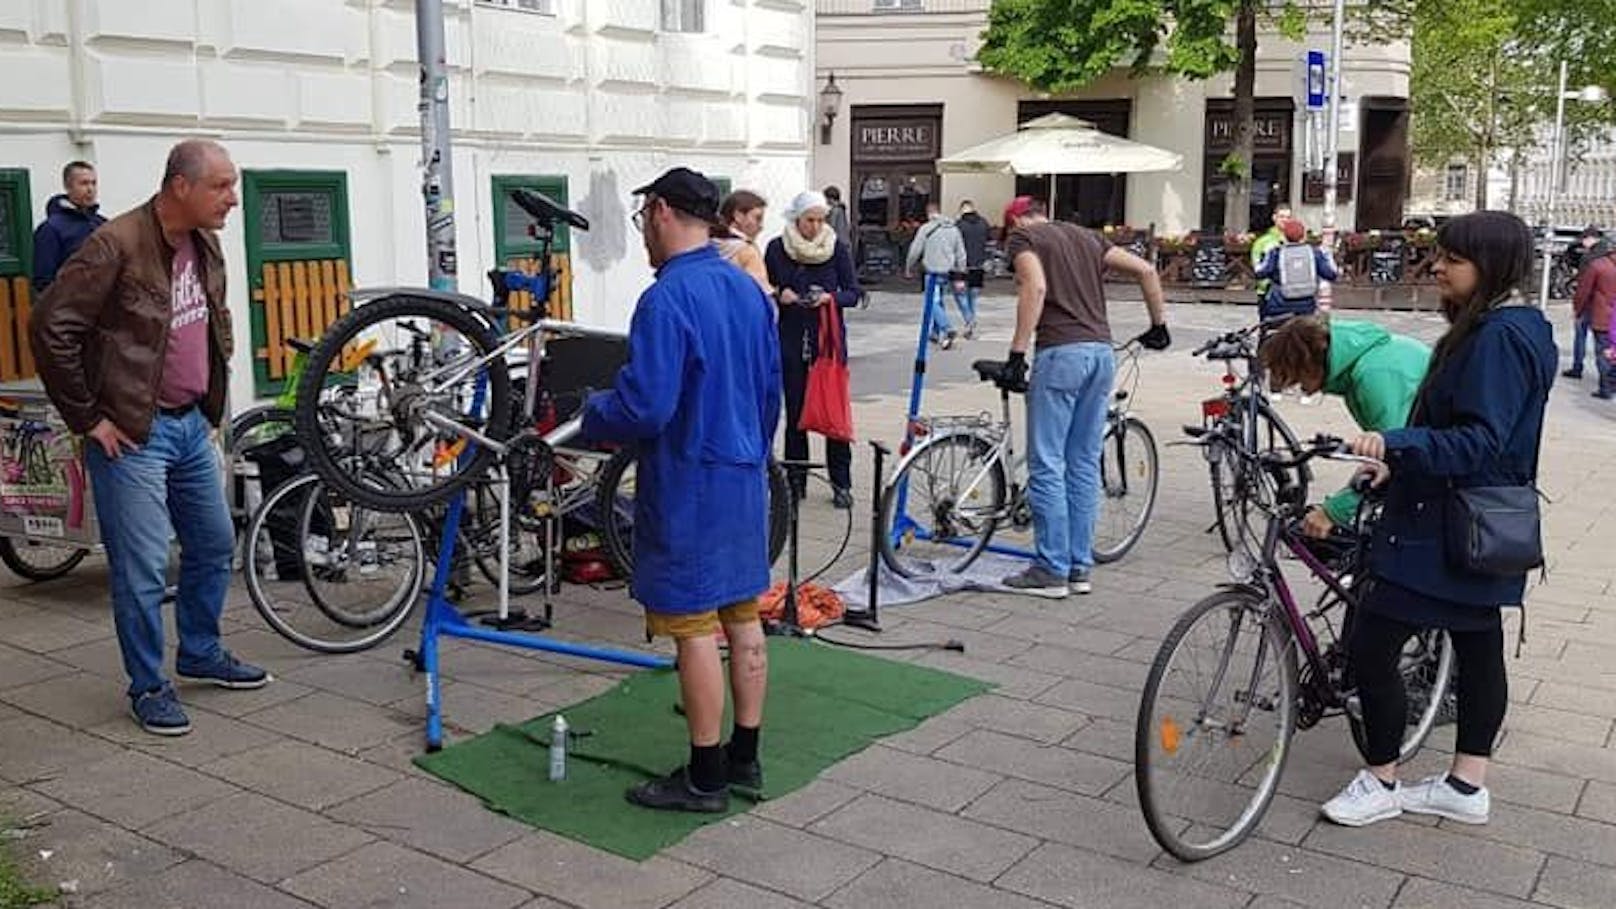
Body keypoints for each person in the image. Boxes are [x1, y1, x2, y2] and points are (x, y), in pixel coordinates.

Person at [1321, 210, 1557, 828]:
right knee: (1479, 648)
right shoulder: (1508, 327)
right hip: (1470, 520)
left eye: (1453, 259)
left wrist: (1394, 445)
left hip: (1445, 528)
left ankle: (1381, 780)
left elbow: (1480, 440)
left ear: (1492, 265)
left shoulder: (1498, 338)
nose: (1439, 268)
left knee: (1371, 649)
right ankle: (1464, 786)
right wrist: (1399, 465)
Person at [29, 140, 266, 737]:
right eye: (222, 186)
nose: (232, 199)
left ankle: (200, 651)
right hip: (133, 433)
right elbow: (50, 327)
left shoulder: (205, 244)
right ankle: (148, 685)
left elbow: (214, 321)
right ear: (180, 186)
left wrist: (212, 401)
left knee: (213, 544)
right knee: (142, 568)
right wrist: (88, 418)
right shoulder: (115, 244)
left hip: (190, 426)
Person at [582, 167, 780, 812]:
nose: (642, 233)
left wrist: (592, 411)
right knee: (744, 615)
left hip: (690, 479)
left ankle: (703, 777)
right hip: (744, 474)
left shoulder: (666, 299)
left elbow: (645, 407)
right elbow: (771, 392)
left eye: (643, 220)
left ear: (662, 212)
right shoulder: (748, 290)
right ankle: (745, 757)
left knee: (694, 626)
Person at [997, 196, 1170, 598]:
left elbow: (1035, 287)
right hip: (1100, 355)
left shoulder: (1024, 239)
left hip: (1060, 354)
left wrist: (1017, 353)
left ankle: (1050, 569)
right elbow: (1146, 269)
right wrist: (1158, 324)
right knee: (1082, 462)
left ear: (1016, 221)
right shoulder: (1087, 236)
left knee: (1046, 461)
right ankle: (1079, 567)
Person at [1259, 314, 1431, 539]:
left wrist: (1333, 512)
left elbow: (1401, 457)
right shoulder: (1361, 363)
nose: (1305, 391)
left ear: (1309, 363)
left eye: (1299, 380)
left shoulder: (1372, 376)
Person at [764, 190, 862, 509]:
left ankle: (841, 483)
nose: (816, 226)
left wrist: (829, 298)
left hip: (827, 341)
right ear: (797, 218)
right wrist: (782, 294)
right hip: (792, 338)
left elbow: (853, 292)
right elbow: (765, 287)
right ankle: (795, 483)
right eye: (810, 220)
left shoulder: (836, 248)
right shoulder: (778, 249)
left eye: (821, 220)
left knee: (833, 412)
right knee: (796, 413)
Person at [32, 161, 106, 292]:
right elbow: (44, 280)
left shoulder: (102, 224)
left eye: (93, 183)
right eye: (84, 183)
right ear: (68, 186)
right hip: (71, 306)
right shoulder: (51, 229)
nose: (90, 189)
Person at [905, 202, 971, 347]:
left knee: (932, 302)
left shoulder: (926, 229)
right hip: (949, 272)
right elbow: (961, 253)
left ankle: (947, 329)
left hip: (932, 271)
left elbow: (915, 250)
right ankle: (935, 333)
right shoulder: (954, 229)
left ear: (928, 214)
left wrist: (908, 267)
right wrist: (961, 271)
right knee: (939, 301)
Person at [1253, 218, 1339, 320]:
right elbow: (1331, 274)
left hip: (1278, 305)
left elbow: (1260, 273)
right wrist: (1328, 255)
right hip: (1306, 307)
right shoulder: (1314, 253)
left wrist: (1260, 260)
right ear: (1303, 236)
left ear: (1284, 236)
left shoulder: (1275, 253)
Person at [1570, 231, 1616, 400]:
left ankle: (1605, 387)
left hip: (1602, 316)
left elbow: (1583, 291)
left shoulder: (1598, 266)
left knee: (1603, 351)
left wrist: (1578, 310)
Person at [1564, 226, 1607, 380]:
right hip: (1606, 307)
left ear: (1591, 238)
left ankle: (1577, 367)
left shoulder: (1589, 259)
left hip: (1589, 304)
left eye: (1584, 239)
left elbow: (1583, 287)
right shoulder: (1608, 257)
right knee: (1604, 342)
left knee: (1580, 335)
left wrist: (1577, 308)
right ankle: (1606, 378)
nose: (1582, 242)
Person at [711, 189, 771, 293]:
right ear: (738, 216)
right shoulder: (748, 252)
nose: (761, 226)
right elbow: (760, 293)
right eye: (758, 218)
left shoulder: (705, 245)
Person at [957, 200, 991, 328]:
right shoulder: (984, 223)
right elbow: (989, 240)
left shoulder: (959, 225)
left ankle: (969, 319)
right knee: (973, 296)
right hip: (979, 264)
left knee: (961, 295)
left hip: (963, 265)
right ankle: (972, 317)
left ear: (961, 210)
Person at [1250, 204, 1293, 300]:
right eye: (1281, 217)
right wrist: (1267, 286)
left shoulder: (1294, 240)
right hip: (1268, 292)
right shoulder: (1262, 241)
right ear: (1274, 218)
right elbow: (1257, 266)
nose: (1285, 220)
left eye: (1288, 217)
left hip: (1292, 291)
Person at [824, 185, 855, 264]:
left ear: (830, 198)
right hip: (844, 242)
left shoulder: (835, 211)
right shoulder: (841, 209)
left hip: (838, 243)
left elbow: (831, 227)